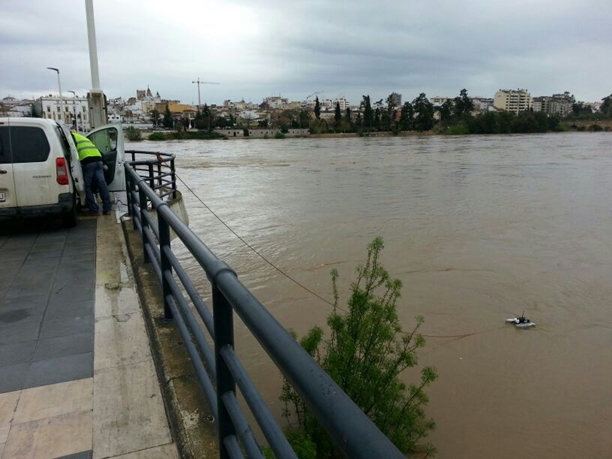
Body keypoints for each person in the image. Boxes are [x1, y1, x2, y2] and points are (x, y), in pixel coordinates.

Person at [72, 131, 112, 216]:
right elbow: (99, 151)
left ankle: (94, 209)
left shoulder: (71, 138)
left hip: (88, 163)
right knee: (102, 185)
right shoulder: (83, 138)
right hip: (98, 161)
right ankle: (107, 209)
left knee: (87, 186)